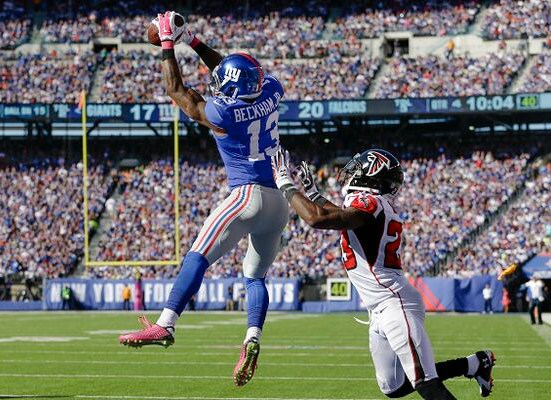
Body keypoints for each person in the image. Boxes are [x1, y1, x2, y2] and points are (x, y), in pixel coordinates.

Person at [118, 11, 289, 387]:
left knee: (197, 255)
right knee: (255, 276)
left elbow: (178, 92)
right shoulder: (272, 89)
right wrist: (192, 40)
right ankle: (252, 338)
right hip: (280, 202)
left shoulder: (223, 112)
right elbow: (230, 70)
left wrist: (168, 45)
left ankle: (165, 324)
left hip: (246, 195)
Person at [271, 147, 495, 399]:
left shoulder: (372, 203)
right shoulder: (372, 205)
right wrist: (313, 193)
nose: (351, 173)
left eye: (358, 169)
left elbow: (318, 219)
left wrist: (285, 184)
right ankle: (475, 364)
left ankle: (475, 364)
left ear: (372, 175)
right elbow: (339, 216)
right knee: (394, 387)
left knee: (427, 384)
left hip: (394, 302)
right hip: (379, 308)